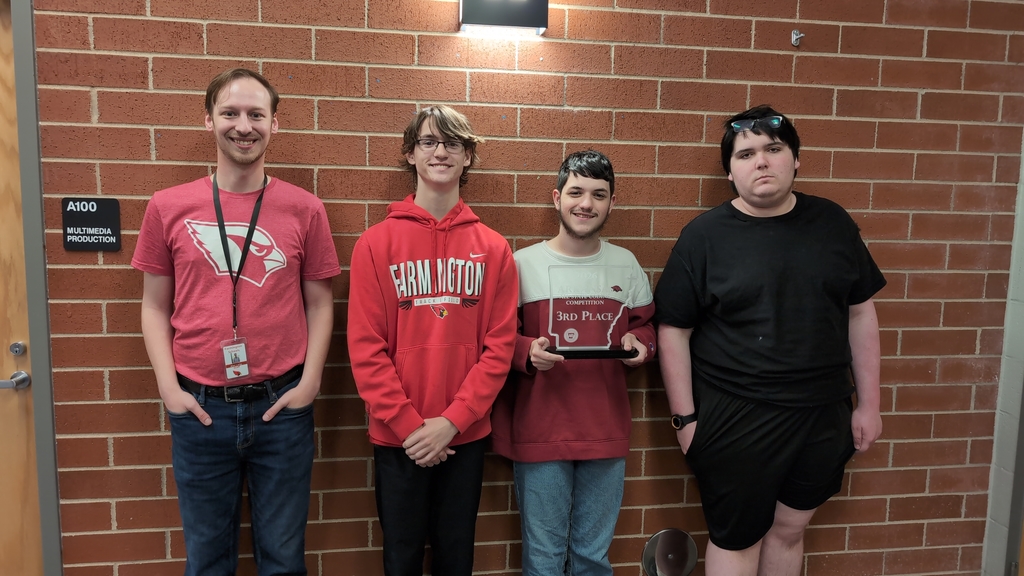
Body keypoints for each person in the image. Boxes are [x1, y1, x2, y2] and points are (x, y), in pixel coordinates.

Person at [654, 105, 886, 576]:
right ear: (730, 171)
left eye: (773, 149)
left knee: (789, 530)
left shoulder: (833, 224)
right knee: (736, 539)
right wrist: (685, 421)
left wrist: (869, 405)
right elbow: (673, 330)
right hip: (737, 415)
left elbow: (860, 312)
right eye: (746, 154)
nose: (761, 161)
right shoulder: (703, 238)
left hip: (822, 413)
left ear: (795, 160)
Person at [132, 68, 339, 576]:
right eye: (230, 112)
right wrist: (168, 390)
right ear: (208, 120)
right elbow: (154, 305)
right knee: (206, 562)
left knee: (284, 560)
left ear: (274, 124)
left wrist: (310, 383)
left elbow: (320, 303)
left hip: (282, 410)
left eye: (255, 114)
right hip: (199, 409)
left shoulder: (305, 209)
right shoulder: (168, 207)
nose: (243, 125)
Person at [346, 105, 519, 576]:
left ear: (468, 158)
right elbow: (365, 348)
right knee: (400, 559)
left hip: (463, 435)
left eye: (453, 143)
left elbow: (499, 347)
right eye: (428, 141)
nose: (441, 151)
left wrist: (453, 422)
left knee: (455, 558)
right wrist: (410, 426)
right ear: (410, 154)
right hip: (397, 436)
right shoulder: (375, 244)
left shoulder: (495, 248)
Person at [491, 150, 656, 576]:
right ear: (556, 198)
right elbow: (496, 337)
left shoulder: (627, 264)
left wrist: (643, 344)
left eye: (599, 194)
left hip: (605, 432)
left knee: (592, 559)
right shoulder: (522, 263)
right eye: (576, 192)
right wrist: (525, 350)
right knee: (543, 560)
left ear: (612, 203)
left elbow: (647, 326)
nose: (586, 203)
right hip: (541, 432)